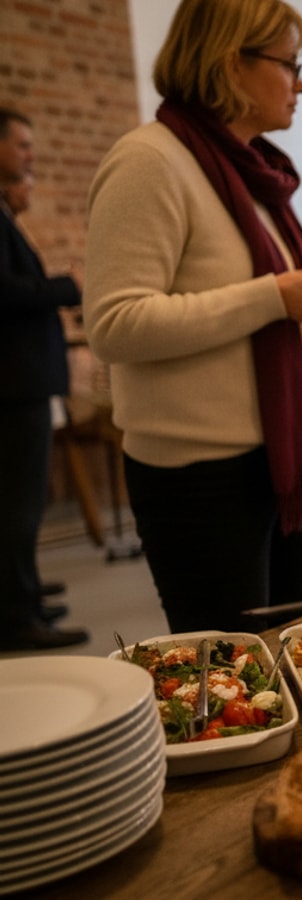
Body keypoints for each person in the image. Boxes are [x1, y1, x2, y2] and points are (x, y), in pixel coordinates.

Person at [84, 0, 302, 633]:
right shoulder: (151, 161)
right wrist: (276, 297)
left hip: (281, 461)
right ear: (232, 64)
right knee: (230, 677)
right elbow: (115, 324)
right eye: (290, 65)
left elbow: (254, 317)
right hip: (200, 477)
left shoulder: (251, 175)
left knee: (284, 653)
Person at [0, 108, 87, 651]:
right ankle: (16, 617)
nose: (31, 157)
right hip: (13, 388)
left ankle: (23, 596)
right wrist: (64, 286)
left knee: (19, 503)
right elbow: (5, 293)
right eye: (23, 146)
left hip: (20, 385)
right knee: (17, 505)